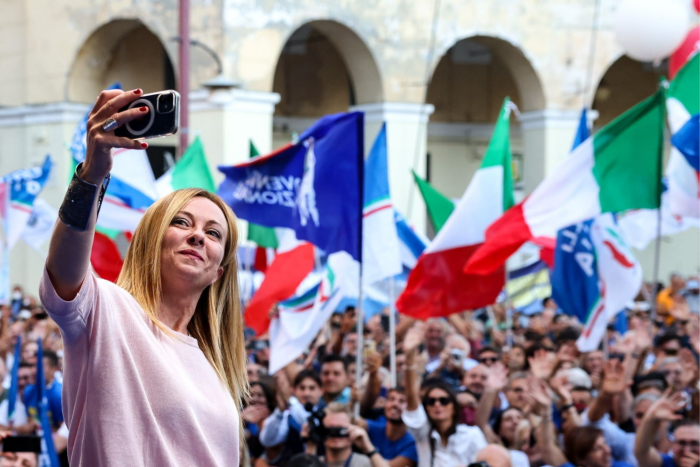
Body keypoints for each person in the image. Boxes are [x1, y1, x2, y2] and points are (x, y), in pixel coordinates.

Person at [40, 88, 247, 466]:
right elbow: (64, 268)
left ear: (219, 271)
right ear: (152, 240)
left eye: (214, 233)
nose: (198, 234)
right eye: (181, 222)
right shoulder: (106, 312)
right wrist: (92, 173)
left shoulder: (214, 367)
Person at [402, 323, 487, 466]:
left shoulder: (471, 435)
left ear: (454, 406)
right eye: (431, 401)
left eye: (443, 400)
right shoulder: (423, 434)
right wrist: (409, 358)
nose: (437, 404)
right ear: (426, 407)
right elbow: (411, 397)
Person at [259, 369, 323, 458]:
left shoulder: (326, 411)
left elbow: (308, 420)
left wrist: (289, 401)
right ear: (294, 391)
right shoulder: (286, 414)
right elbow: (267, 440)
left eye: (312, 388)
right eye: (302, 388)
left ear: (321, 391)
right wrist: (280, 411)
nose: (306, 393)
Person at [304, 402, 387, 467]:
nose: (335, 434)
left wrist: (368, 448)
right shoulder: (315, 462)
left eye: (341, 429)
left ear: (353, 429)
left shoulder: (366, 463)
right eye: (330, 429)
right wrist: (311, 446)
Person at [635, 390, 700, 467]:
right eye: (682, 443)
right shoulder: (665, 463)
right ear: (672, 445)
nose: (687, 450)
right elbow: (642, 452)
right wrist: (651, 417)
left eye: (694, 443)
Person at [356, 388, 418, 467]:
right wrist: (352, 402)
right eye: (391, 399)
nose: (394, 404)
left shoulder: (412, 444)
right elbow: (356, 422)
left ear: (410, 408)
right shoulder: (376, 427)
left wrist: (368, 449)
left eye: (401, 401)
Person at [23, 350, 62, 430]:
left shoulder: (60, 395)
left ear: (53, 369)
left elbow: (65, 431)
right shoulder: (28, 391)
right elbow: (28, 419)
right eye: (33, 366)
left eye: (39, 366)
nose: (34, 370)